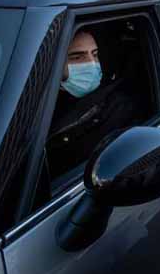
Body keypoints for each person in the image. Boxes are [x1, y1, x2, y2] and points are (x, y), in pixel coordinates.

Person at [46, 30, 139, 180]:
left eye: (95, 55)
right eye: (77, 57)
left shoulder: (119, 108)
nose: (91, 63)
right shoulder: (38, 99)